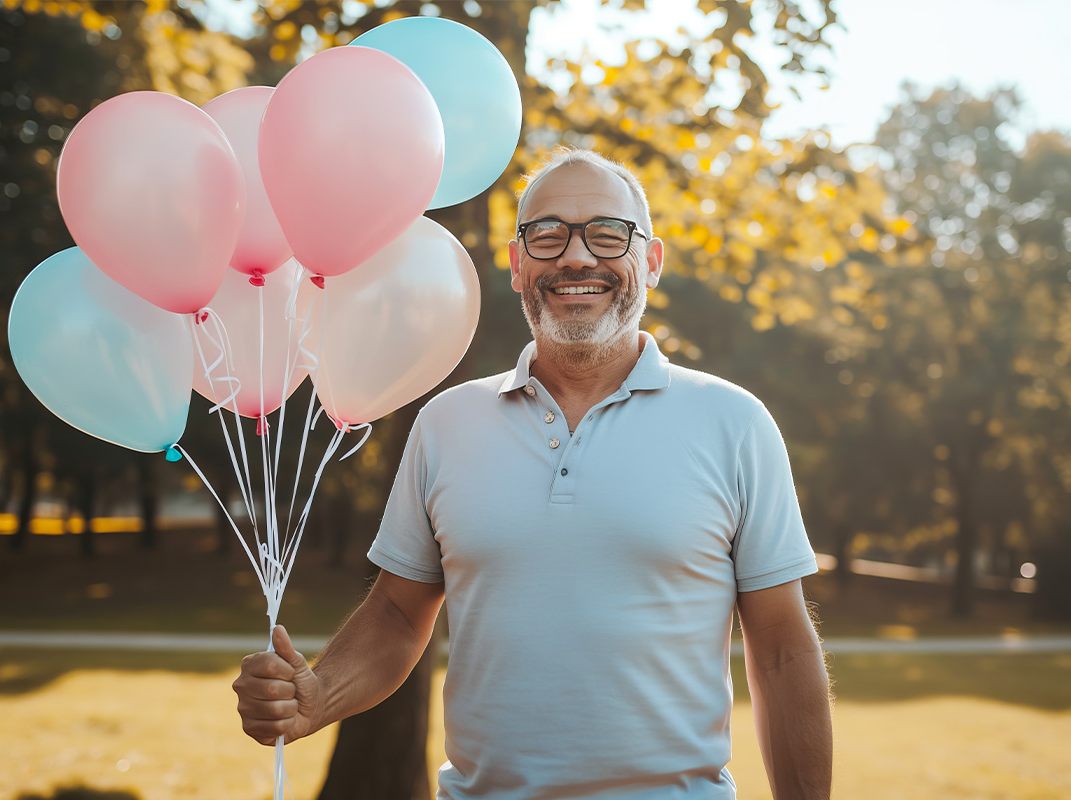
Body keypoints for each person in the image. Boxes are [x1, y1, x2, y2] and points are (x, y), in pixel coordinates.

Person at [234, 147, 833, 799]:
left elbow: (781, 650)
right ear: (519, 267)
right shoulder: (446, 423)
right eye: (547, 235)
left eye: (608, 233)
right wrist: (316, 697)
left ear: (651, 261)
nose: (577, 257)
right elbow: (398, 616)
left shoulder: (734, 423)